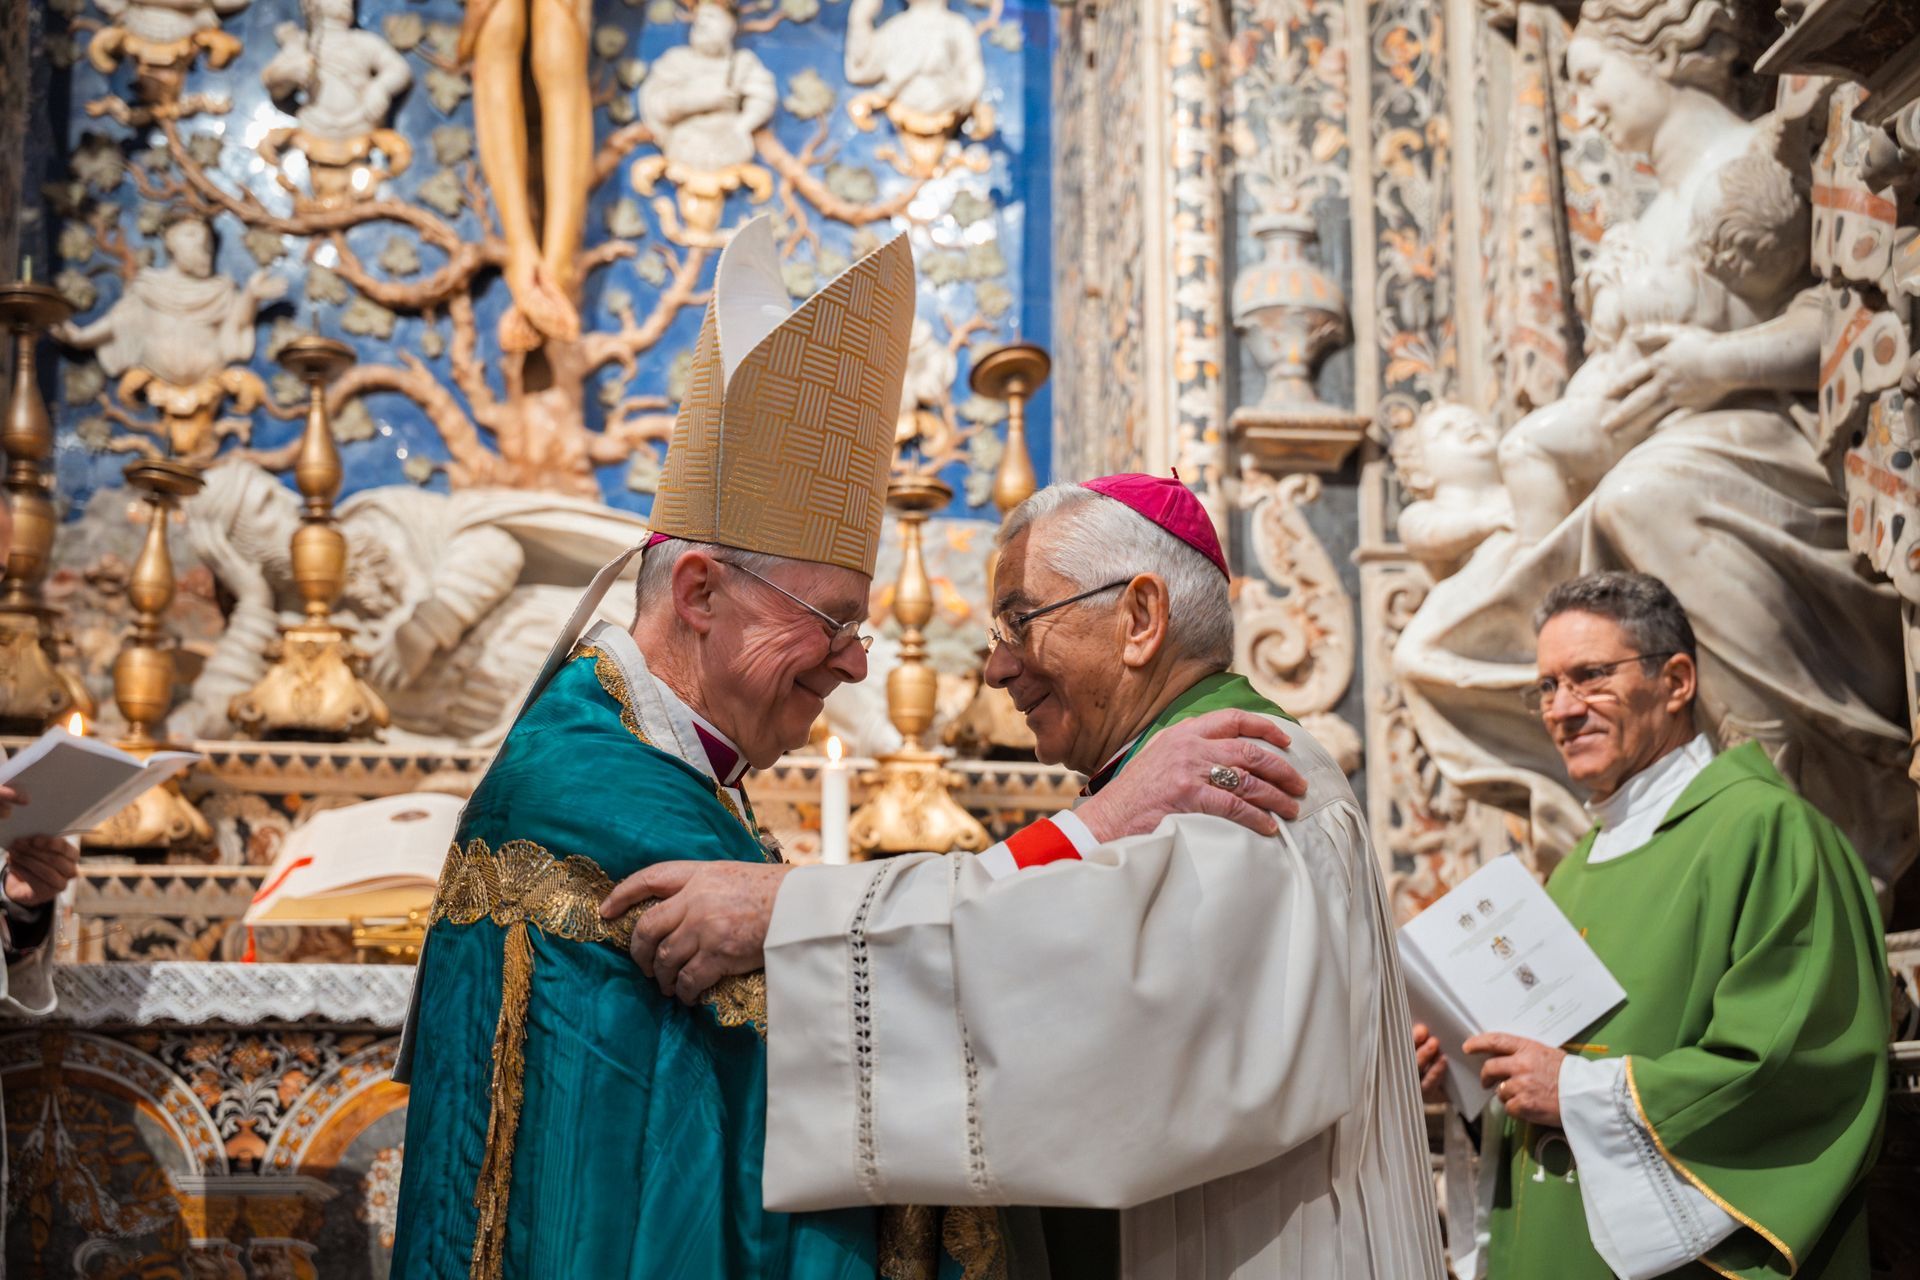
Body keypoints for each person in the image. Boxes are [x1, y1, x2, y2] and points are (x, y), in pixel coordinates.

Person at [388, 220, 1308, 1279]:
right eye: (831, 621)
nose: (859, 664)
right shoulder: (596, 789)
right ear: (699, 594)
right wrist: (1095, 827)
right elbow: (855, 1036)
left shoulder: (658, 759)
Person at [607, 474, 1446, 1279]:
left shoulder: (1242, 777)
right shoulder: (1171, 774)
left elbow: (1071, 1006)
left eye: (1019, 621)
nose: (995, 669)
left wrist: (788, 914)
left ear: (1140, 618)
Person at [1413, 572, 1888, 1279]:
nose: (1562, 709)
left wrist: (1575, 1090)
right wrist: (1468, 1077)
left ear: (1676, 682)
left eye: (1591, 677)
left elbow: (1796, 1069)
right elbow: (1546, 1076)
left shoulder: (1767, 831)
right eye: (1547, 686)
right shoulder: (1575, 868)